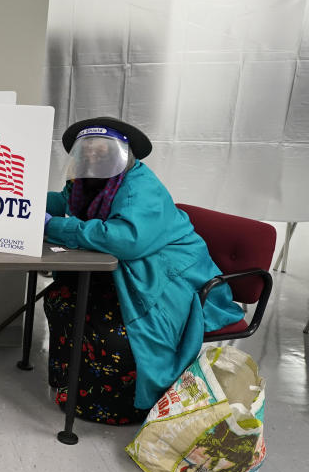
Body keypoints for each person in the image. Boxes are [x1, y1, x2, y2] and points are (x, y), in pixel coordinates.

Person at [42, 117, 244, 424]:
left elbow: (126, 239)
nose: (94, 156)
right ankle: (71, 388)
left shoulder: (141, 187)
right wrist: (26, 201)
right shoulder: (85, 186)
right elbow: (64, 202)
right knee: (62, 298)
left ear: (123, 154)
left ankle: (125, 407)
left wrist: (54, 226)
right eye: (88, 152)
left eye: (102, 150)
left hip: (172, 279)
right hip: (135, 273)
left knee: (114, 335)